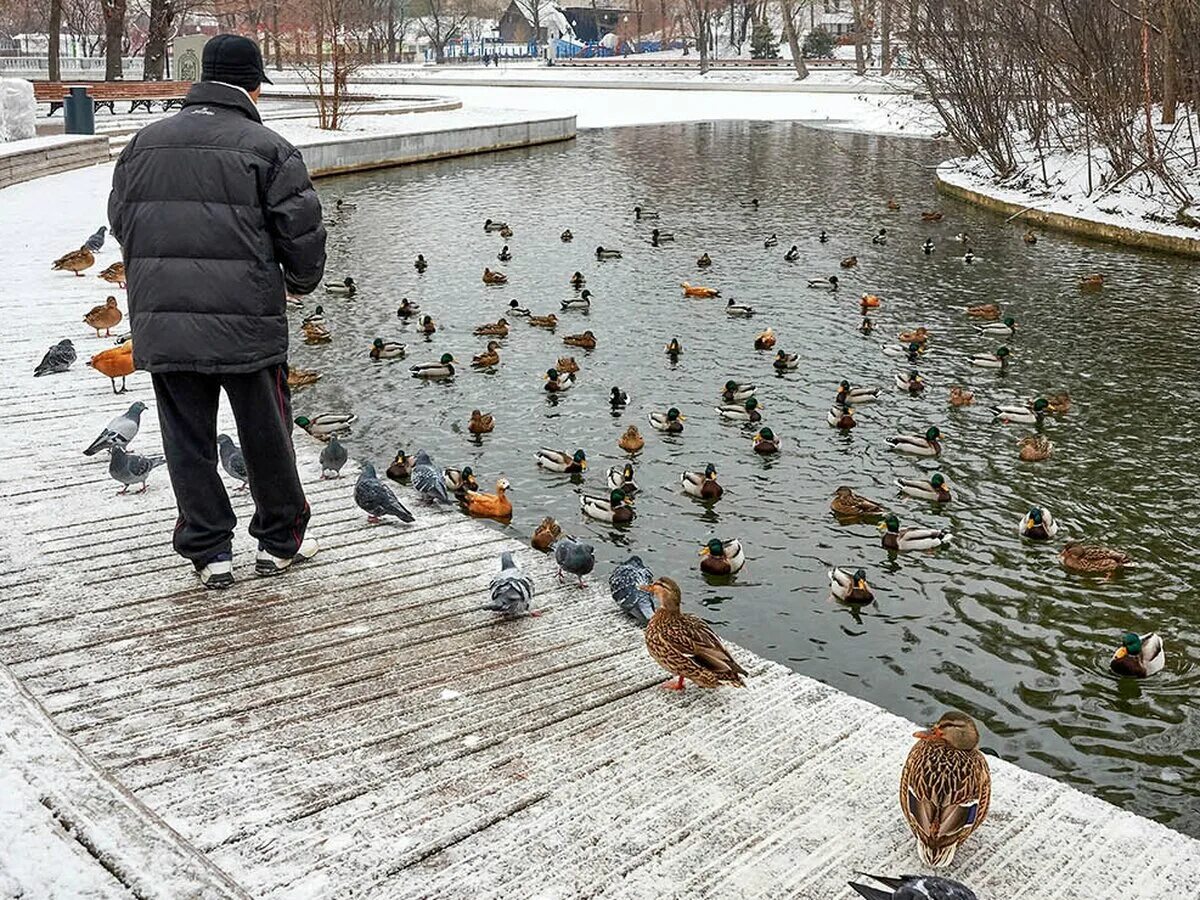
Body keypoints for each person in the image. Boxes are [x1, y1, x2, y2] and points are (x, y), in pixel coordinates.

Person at [107, 34, 326, 590]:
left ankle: (210, 553)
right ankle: (280, 542)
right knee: (267, 434)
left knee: (188, 439)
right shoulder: (269, 148)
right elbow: (301, 233)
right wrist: (298, 283)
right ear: (253, 85)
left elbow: (121, 223)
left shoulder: (141, 146)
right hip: (246, 323)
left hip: (165, 321)